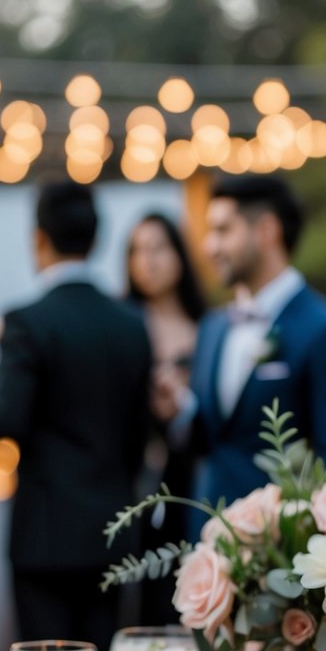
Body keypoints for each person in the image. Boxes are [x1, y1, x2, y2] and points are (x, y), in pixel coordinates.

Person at [0, 181, 152, 651]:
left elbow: (9, 423)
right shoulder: (130, 325)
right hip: (113, 529)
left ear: (38, 238)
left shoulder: (27, 320)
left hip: (45, 532)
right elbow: (139, 435)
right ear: (97, 240)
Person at [156, 174, 326, 513]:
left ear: (267, 231)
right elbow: (215, 440)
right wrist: (179, 412)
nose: (210, 247)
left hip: (279, 548)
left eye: (224, 230)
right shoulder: (213, 326)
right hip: (206, 538)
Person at [126, 213, 205, 622]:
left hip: (189, 477)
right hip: (132, 480)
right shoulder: (123, 323)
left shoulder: (207, 327)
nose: (147, 261)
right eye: (137, 250)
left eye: (157, 247)